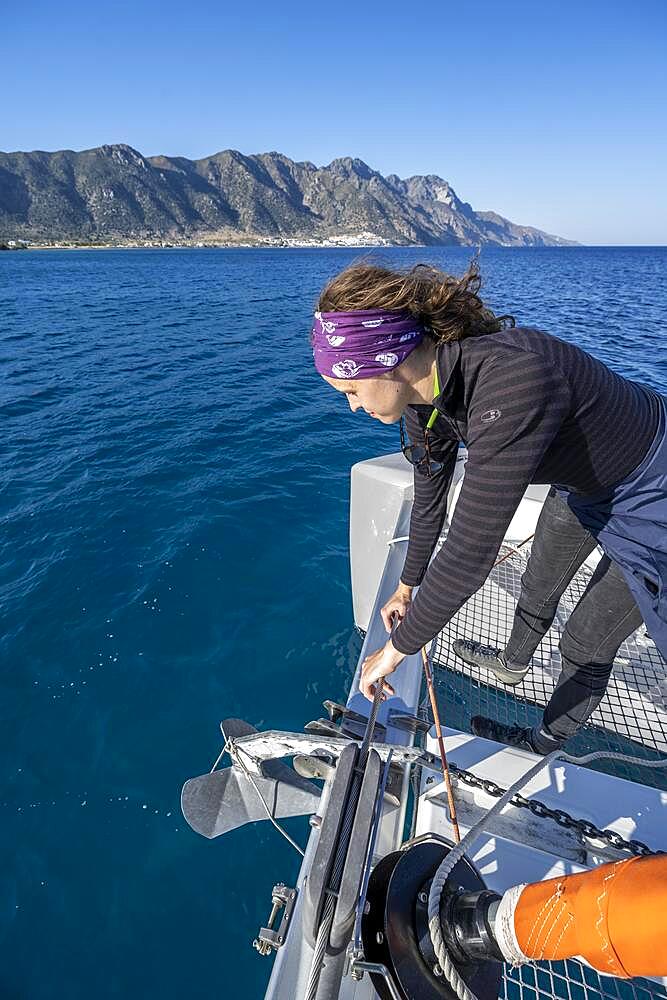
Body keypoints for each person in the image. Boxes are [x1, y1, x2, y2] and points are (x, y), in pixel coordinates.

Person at [311, 258, 666, 754]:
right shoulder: (422, 401)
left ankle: (544, 741)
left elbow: (470, 553)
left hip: (651, 489)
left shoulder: (511, 381)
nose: (352, 406)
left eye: (350, 389)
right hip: (582, 484)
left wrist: (396, 650)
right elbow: (431, 492)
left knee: (584, 642)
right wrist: (407, 586)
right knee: (538, 582)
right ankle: (513, 663)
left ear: (387, 358)